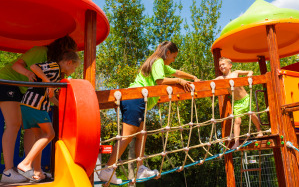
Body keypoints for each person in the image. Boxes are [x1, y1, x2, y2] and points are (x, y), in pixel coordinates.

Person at [99, 41, 200, 184]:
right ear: (168, 53)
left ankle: (140, 169)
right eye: (174, 57)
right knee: (126, 136)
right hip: (136, 99)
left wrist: (193, 77)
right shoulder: (158, 61)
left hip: (135, 99)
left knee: (142, 134)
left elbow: (176, 71)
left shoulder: (158, 63)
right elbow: (160, 81)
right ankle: (108, 169)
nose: (173, 60)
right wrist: (179, 81)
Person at [0, 36, 77, 183]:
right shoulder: (41, 52)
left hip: (24, 91)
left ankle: (31, 169)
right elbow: (17, 65)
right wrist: (29, 74)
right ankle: (8, 171)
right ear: (63, 50)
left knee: (32, 128)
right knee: (14, 124)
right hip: (8, 82)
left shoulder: (54, 66)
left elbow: (49, 95)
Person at [17, 51, 80, 182]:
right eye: (74, 67)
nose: (73, 71)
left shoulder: (56, 77)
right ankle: (25, 164)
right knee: (50, 133)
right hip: (35, 103)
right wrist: (47, 81)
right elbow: (34, 66)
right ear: (69, 62)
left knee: (40, 137)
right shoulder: (55, 67)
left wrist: (63, 106)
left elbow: (51, 97)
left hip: (29, 104)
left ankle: (37, 171)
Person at [215, 57, 263, 149]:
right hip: (236, 103)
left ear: (230, 66)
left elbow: (250, 71)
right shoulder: (221, 78)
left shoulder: (235, 73)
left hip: (245, 99)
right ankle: (236, 142)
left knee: (252, 114)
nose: (221, 66)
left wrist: (249, 75)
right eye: (220, 65)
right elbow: (210, 82)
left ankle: (259, 130)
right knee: (237, 121)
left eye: (223, 64)